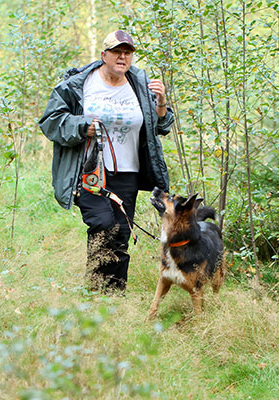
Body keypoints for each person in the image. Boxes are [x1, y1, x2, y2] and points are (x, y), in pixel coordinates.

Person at [39, 30, 174, 293]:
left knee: (121, 235)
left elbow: (161, 126)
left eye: (128, 52)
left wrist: (161, 103)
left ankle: (112, 299)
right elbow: (50, 122)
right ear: (104, 55)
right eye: (116, 52)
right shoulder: (78, 84)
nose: (122, 57)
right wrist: (81, 126)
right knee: (102, 224)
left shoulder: (140, 84)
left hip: (128, 173)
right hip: (89, 172)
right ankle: (95, 289)